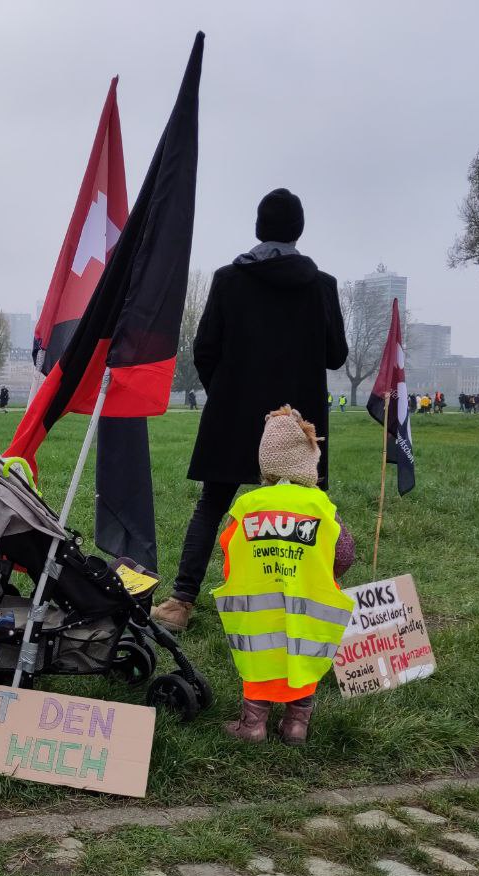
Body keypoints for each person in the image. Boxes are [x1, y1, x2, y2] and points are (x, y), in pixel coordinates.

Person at [150, 187, 348, 633]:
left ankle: (181, 602)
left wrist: (226, 393)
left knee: (211, 505)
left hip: (233, 417)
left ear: (258, 228)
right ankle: (310, 602)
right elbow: (336, 355)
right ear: (299, 231)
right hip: (299, 423)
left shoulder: (228, 280)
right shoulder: (322, 287)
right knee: (306, 512)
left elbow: (204, 350)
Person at [213, 406, 355, 745]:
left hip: (255, 610)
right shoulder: (320, 507)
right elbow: (344, 552)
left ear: (267, 463)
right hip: (308, 608)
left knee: (258, 661)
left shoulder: (250, 505)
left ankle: (253, 725)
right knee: (303, 660)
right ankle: (296, 725)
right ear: (310, 462)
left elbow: (227, 547)